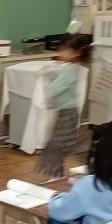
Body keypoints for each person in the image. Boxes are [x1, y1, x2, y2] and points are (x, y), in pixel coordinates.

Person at [38, 34, 91, 178]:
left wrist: (46, 77)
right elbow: (58, 84)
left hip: (68, 111)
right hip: (64, 110)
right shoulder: (69, 68)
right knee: (58, 143)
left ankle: (92, 153)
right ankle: (56, 174)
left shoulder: (71, 70)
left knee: (61, 143)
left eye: (65, 50)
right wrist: (51, 75)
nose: (61, 53)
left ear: (76, 53)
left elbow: (54, 90)